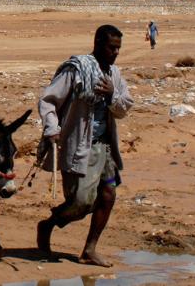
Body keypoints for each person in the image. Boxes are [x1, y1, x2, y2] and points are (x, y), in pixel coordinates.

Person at [36, 24, 133, 267]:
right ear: (98, 42)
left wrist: (112, 95)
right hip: (80, 146)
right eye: (112, 47)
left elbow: (124, 108)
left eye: (119, 48)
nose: (116, 53)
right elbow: (48, 101)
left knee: (108, 195)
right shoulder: (76, 70)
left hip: (105, 148)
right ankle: (49, 223)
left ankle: (90, 249)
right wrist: (51, 128)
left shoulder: (114, 75)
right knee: (81, 201)